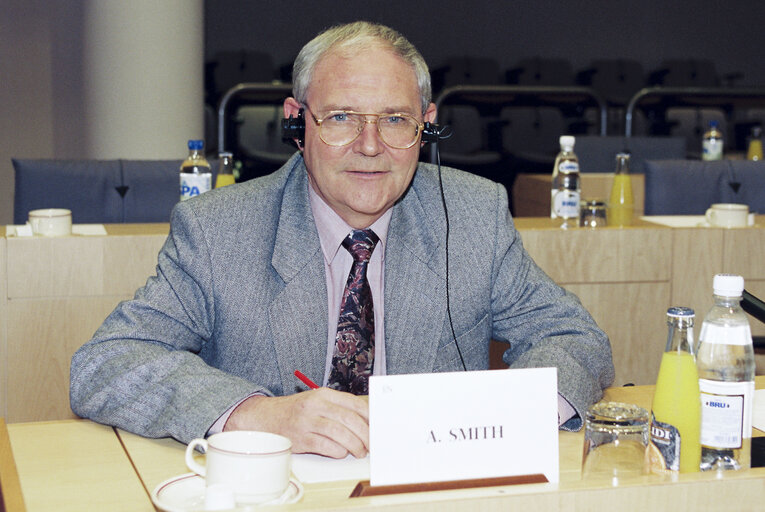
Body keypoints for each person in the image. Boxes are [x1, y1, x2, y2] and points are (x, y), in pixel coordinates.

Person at [70, 21, 614, 459]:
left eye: (396, 119)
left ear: (427, 125)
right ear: (295, 123)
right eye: (341, 118)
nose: (370, 146)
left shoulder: (473, 215)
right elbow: (106, 363)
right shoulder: (219, 230)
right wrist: (256, 414)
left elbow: (577, 338)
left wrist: (506, 414)